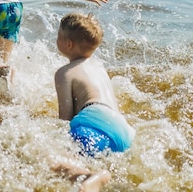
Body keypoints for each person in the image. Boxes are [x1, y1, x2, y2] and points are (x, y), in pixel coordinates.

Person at [54, 12, 135, 157]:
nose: (56, 40)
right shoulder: (99, 66)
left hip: (93, 124)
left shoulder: (64, 73)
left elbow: (65, 119)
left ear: (68, 44)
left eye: (58, 36)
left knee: (63, 161)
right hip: (123, 131)